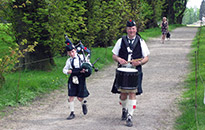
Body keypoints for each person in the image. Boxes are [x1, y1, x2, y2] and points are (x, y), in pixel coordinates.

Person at [111, 20, 150, 127]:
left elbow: (146, 57)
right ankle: (124, 109)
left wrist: (139, 62)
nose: (131, 31)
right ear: (126, 29)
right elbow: (114, 55)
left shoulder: (141, 41)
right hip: (122, 71)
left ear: (136, 29)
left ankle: (129, 116)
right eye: (129, 29)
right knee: (123, 94)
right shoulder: (120, 40)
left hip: (135, 72)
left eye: (133, 28)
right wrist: (119, 59)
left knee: (132, 93)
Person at [63, 39, 89, 120]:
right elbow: (64, 70)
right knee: (71, 95)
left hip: (81, 77)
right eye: (69, 52)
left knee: (79, 97)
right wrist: (68, 71)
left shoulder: (81, 57)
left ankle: (83, 103)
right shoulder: (69, 60)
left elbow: (89, 65)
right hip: (73, 77)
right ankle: (72, 113)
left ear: (75, 50)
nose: (71, 54)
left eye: (72, 51)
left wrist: (85, 69)